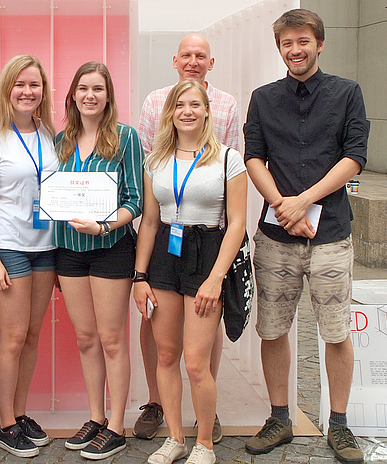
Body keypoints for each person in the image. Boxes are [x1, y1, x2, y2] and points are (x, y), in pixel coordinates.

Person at [242, 9, 369, 464]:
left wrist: (304, 200)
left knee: (335, 332)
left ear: (319, 43)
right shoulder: (263, 97)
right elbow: (253, 156)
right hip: (276, 235)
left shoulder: (347, 93)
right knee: (272, 328)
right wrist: (282, 204)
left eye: (303, 41)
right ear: (279, 49)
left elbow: (355, 156)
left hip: (331, 232)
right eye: (286, 43)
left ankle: (339, 424)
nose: (295, 50)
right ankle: (280, 418)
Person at [133, 80, 247, 464]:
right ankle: (176, 439)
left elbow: (236, 224)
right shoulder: (155, 161)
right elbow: (149, 222)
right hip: (165, 254)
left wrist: (216, 278)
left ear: (207, 111)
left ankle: (205, 444)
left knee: (197, 362)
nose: (187, 110)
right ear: (170, 112)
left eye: (195, 104)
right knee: (167, 355)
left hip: (208, 255)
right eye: (179, 104)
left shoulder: (229, 159)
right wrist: (140, 276)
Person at [0, 54, 59, 459]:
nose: (27, 92)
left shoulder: (49, 132)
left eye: (34, 85)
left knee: (33, 335)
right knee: (14, 336)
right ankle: (4, 424)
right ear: (7, 88)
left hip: (47, 247)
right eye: (20, 84)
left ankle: (20, 414)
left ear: (43, 91)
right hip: (9, 248)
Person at [53, 62, 142, 460]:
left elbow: (136, 200)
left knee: (110, 339)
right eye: (83, 88)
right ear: (72, 95)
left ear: (108, 96)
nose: (90, 95)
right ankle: (95, 417)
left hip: (112, 246)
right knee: (86, 338)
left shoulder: (126, 138)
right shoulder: (60, 141)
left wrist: (105, 225)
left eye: (98, 89)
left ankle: (117, 426)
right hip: (68, 250)